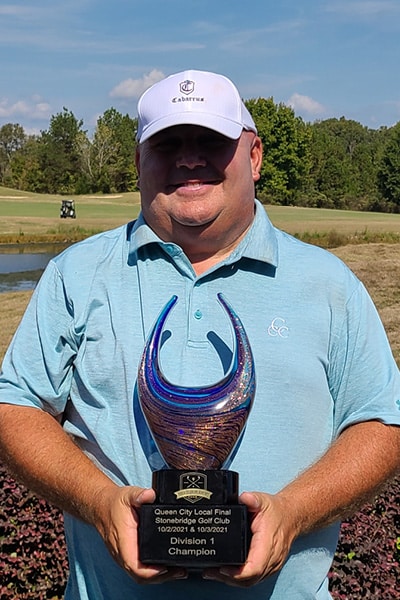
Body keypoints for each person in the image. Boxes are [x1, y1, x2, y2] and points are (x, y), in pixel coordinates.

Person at [0, 69, 399, 600]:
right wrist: (98, 502)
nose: (190, 158)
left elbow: (382, 422)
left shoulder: (329, 284)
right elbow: (16, 406)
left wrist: (294, 514)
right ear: (140, 161)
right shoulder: (77, 274)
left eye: (211, 140)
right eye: (167, 143)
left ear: (253, 157)